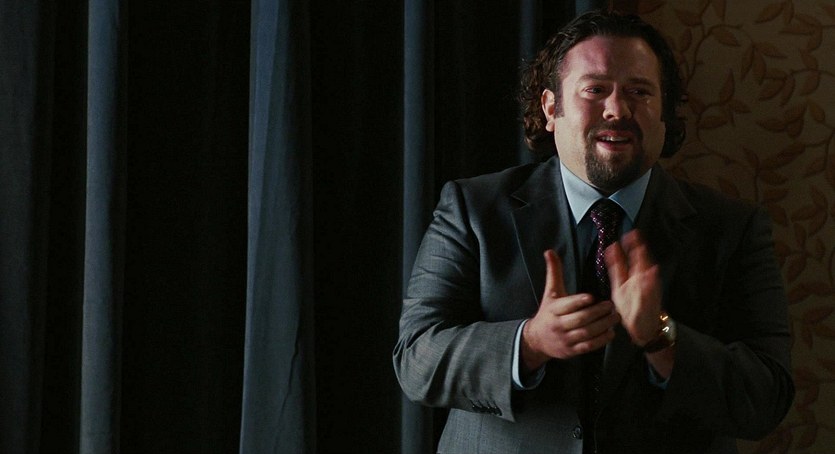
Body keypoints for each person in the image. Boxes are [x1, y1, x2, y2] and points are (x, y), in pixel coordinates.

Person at [393, 9, 794, 454]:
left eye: (639, 91)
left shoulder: (732, 228)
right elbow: (416, 360)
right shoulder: (473, 209)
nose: (617, 109)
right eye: (595, 89)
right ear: (551, 108)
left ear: (664, 112)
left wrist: (661, 338)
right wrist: (531, 342)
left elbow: (767, 398)